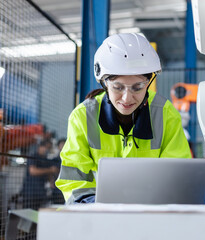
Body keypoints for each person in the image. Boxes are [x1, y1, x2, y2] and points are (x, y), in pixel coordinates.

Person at [56, 33, 192, 204]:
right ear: (104, 83)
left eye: (138, 87)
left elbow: (178, 175)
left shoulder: (166, 114)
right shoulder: (82, 117)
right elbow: (73, 179)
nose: (127, 98)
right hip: (99, 217)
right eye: (118, 87)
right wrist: (92, 206)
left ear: (149, 82)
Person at [22, 141, 59, 210]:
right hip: (30, 192)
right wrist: (50, 170)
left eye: (49, 148)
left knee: (39, 214)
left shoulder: (46, 159)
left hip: (41, 192)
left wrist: (51, 181)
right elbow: (33, 171)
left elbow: (49, 174)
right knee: (29, 214)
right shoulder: (33, 156)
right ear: (40, 147)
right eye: (47, 147)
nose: (47, 150)